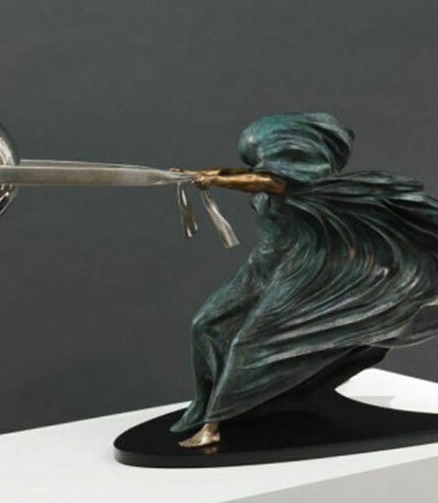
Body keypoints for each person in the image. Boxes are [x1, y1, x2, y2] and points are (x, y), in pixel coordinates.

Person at [173, 112, 438, 448]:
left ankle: (213, 426)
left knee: (250, 343)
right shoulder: (276, 177)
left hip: (298, 274)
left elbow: (262, 182)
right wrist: (205, 174)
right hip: (262, 269)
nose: (259, 168)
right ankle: (210, 407)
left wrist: (216, 181)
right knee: (205, 324)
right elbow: (247, 175)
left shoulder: (291, 186)